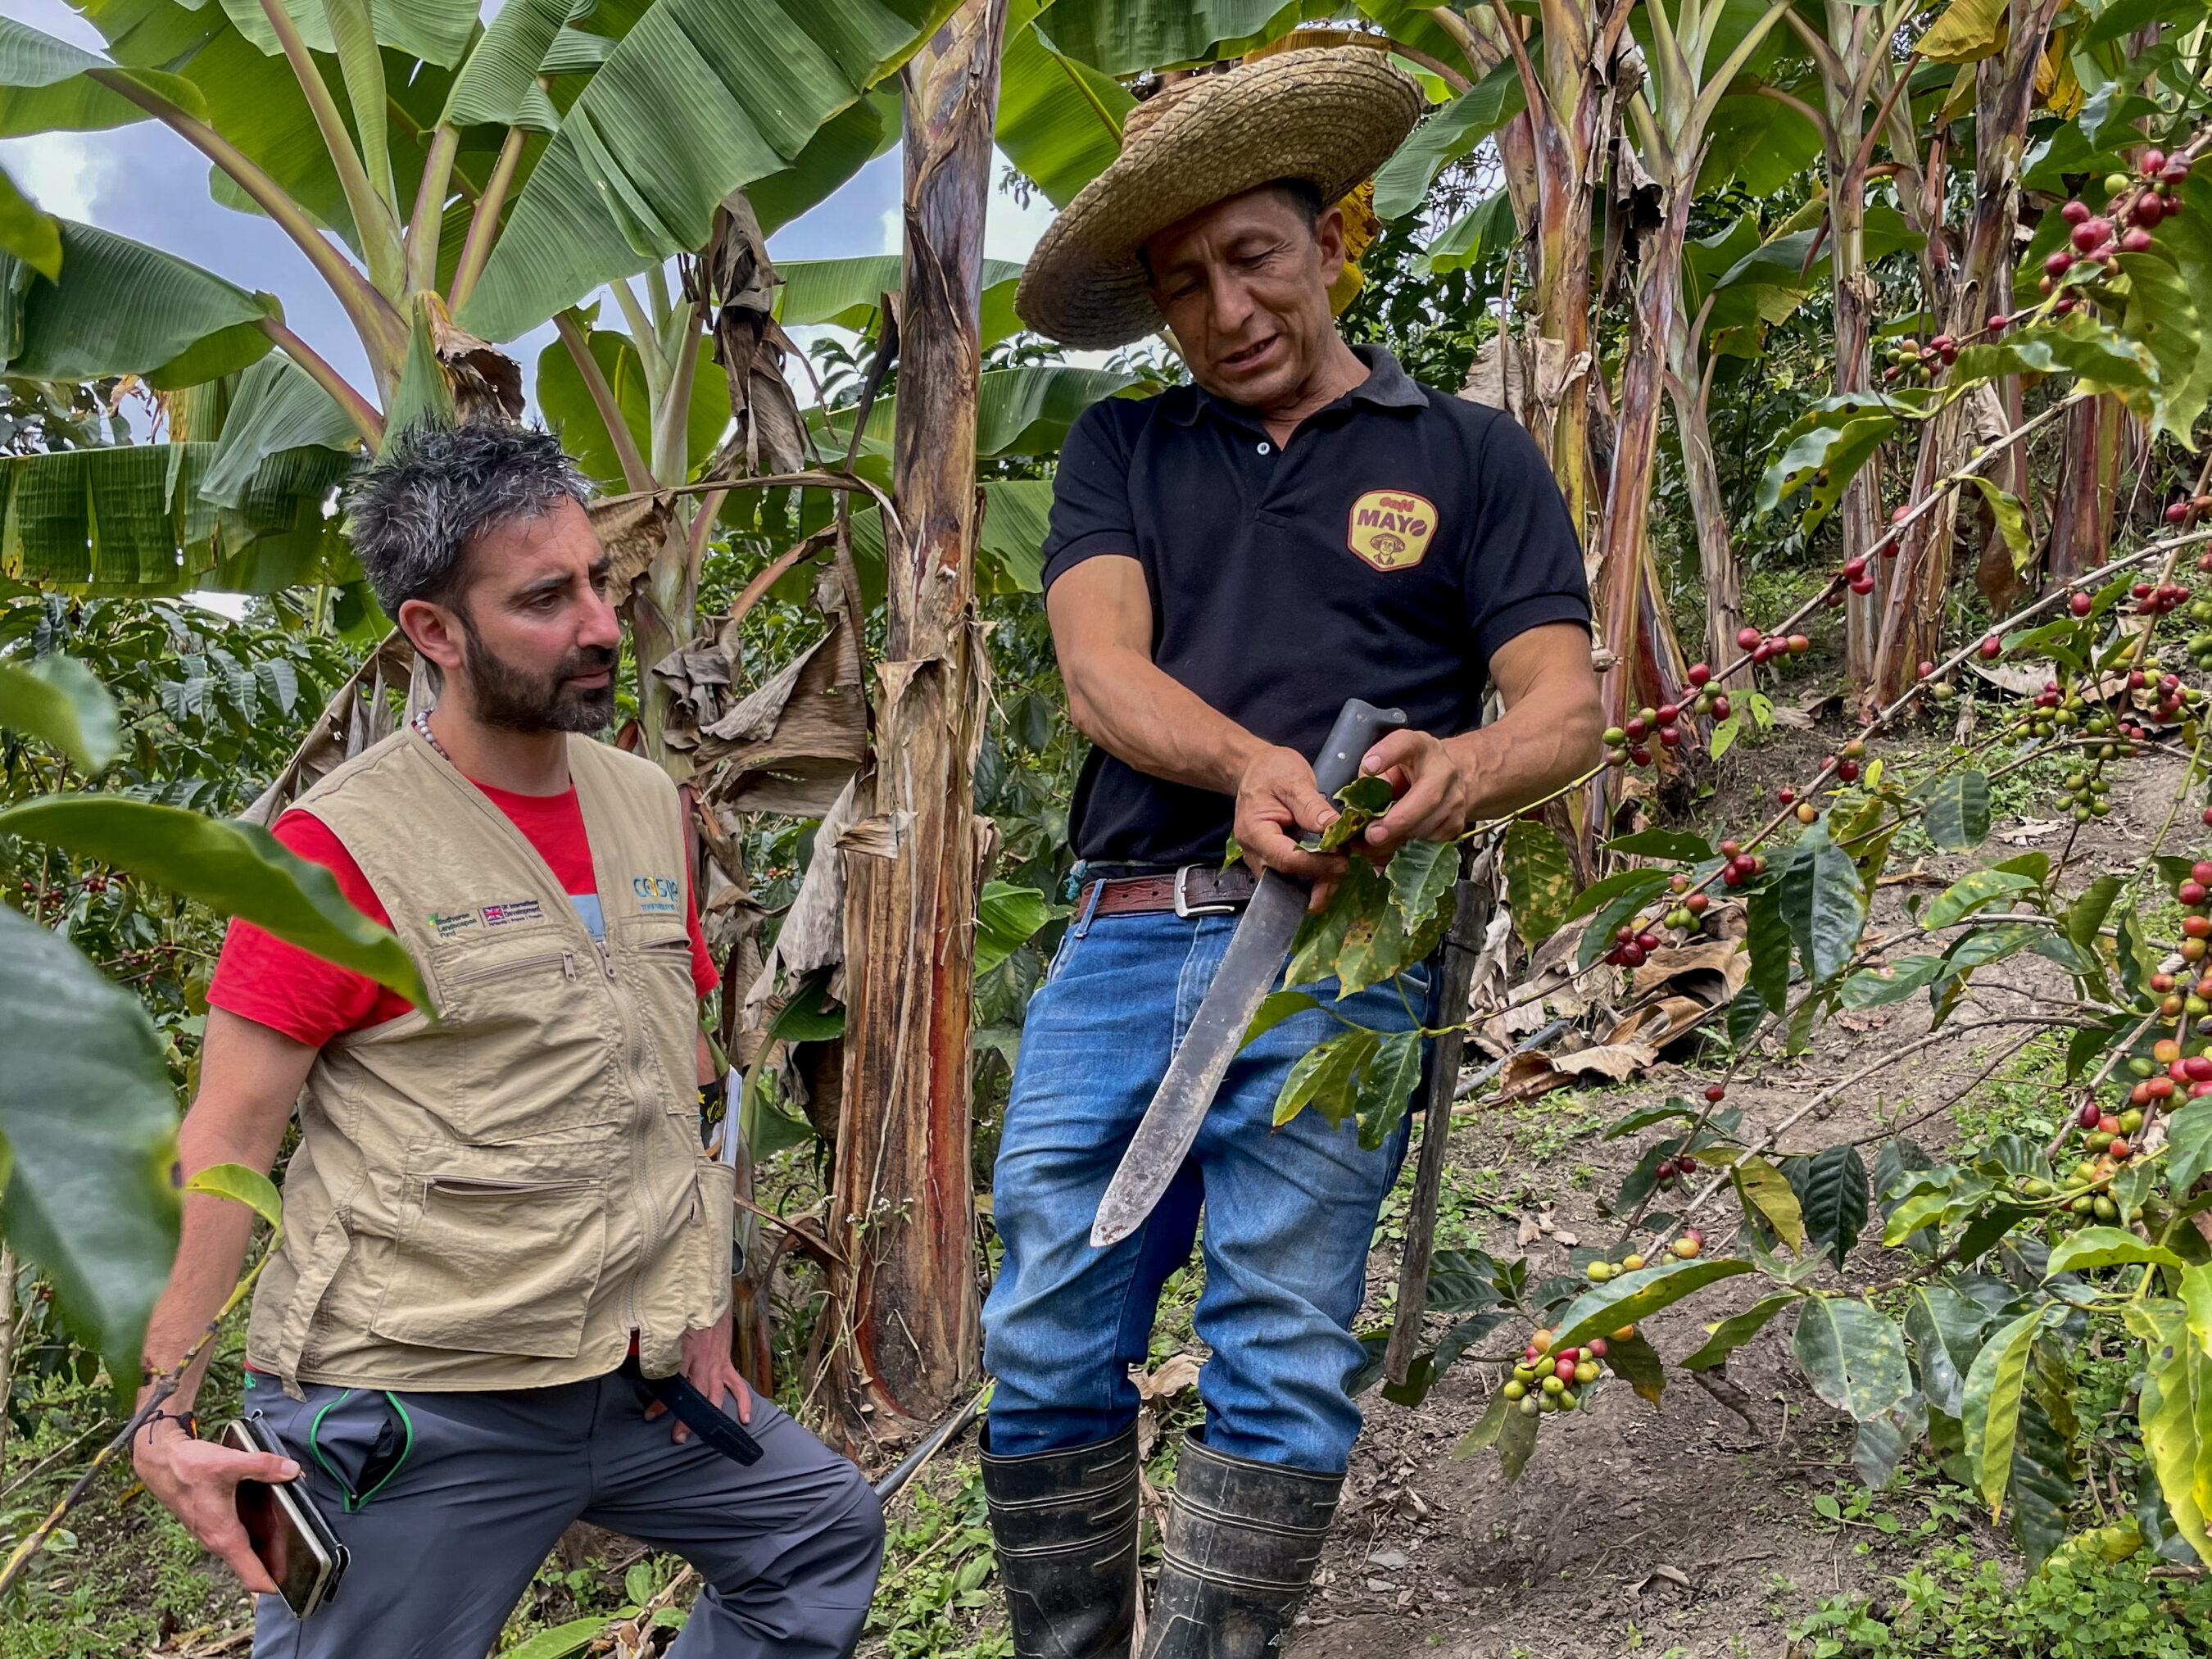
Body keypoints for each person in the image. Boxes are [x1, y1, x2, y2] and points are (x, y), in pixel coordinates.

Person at [979, 48, 1606, 1659]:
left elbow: (1564, 707)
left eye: (1253, 257)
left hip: (1341, 957)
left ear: (1332, 241)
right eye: (1183, 284)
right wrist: (1248, 759)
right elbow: (1100, 672)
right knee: (1047, 1322)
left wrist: (1457, 767)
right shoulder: (1125, 448)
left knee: (1278, 1330)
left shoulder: (1471, 458)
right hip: (1121, 936)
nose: (1225, 306)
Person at [129, 423, 884, 1659]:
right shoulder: (337, 850)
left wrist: (694, 1309)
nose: (598, 621)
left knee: (814, 1533)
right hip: (417, 1392)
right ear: (435, 631)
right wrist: (162, 1407)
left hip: (627, 1373)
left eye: (598, 579)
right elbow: (228, 1133)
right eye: (545, 598)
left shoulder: (647, 804)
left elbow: (674, 1069)